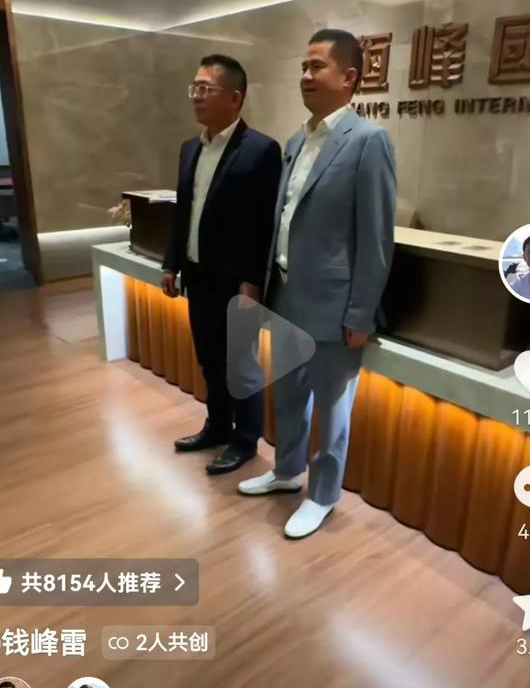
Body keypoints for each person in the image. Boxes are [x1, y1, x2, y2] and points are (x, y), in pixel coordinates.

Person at [239, 29, 396, 538]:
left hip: (334, 306)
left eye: (317, 67)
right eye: (303, 67)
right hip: (287, 296)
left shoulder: (368, 141)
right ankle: (287, 471)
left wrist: (360, 313)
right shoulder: (295, 141)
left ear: (349, 77)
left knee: (332, 411)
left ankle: (323, 494)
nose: (306, 76)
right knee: (287, 396)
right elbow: (283, 219)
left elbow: (376, 237)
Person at [162, 55, 282, 475]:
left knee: (241, 365)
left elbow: (263, 224)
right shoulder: (190, 149)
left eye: (205, 89)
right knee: (210, 359)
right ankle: (217, 427)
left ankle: (246, 440)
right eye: (194, 88)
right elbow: (184, 212)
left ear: (235, 97)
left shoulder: (261, 150)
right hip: (198, 276)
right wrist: (171, 264)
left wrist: (252, 281)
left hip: (236, 284)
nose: (196, 97)